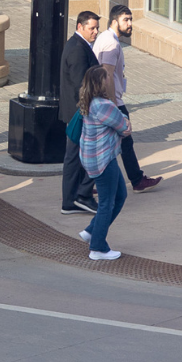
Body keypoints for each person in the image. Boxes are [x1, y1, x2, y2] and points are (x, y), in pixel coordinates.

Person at [91, 5, 163, 194]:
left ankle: (132, 179)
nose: (130, 24)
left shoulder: (105, 39)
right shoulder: (111, 44)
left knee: (116, 143)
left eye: (130, 19)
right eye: (126, 20)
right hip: (111, 102)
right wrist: (114, 106)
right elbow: (107, 73)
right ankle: (136, 180)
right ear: (114, 21)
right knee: (124, 140)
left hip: (104, 101)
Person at [76, 66, 130, 261]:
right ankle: (98, 247)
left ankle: (92, 231)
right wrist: (124, 117)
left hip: (94, 158)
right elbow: (125, 127)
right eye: (107, 78)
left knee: (120, 195)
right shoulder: (103, 105)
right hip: (103, 159)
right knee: (107, 202)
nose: (110, 80)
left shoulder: (88, 102)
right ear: (101, 83)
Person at [58, 11, 103, 216]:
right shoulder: (77, 49)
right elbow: (80, 86)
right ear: (79, 27)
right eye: (91, 28)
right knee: (83, 156)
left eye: (96, 28)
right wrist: (92, 110)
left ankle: (74, 198)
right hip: (80, 113)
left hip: (77, 112)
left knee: (77, 156)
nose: (95, 32)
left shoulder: (78, 45)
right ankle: (78, 197)